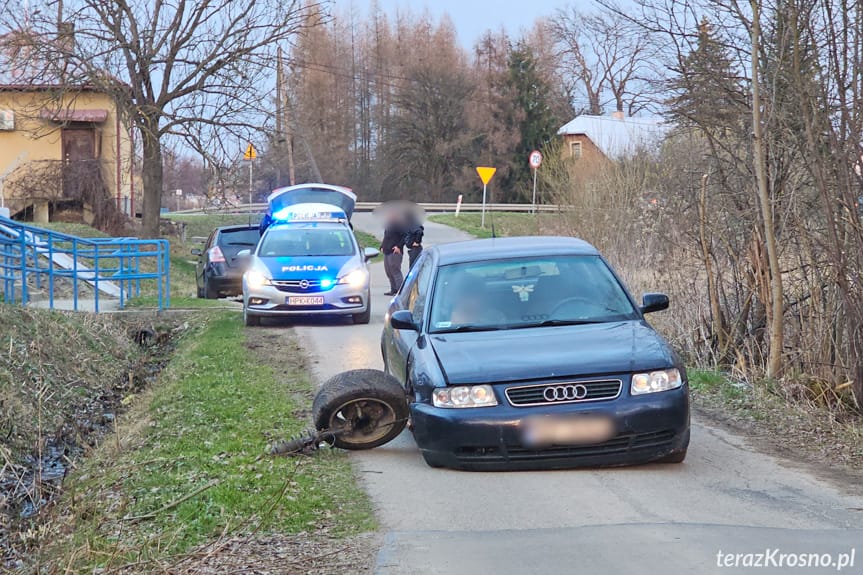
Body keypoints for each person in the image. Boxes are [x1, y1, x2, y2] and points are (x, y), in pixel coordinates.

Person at [381, 211, 407, 295]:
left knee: (395, 271)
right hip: (387, 251)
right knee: (389, 271)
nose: (389, 216)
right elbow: (386, 237)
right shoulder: (389, 225)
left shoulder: (400, 225)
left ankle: (400, 291)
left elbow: (405, 236)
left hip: (395, 252)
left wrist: (399, 246)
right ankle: (393, 289)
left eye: (391, 215)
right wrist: (382, 246)